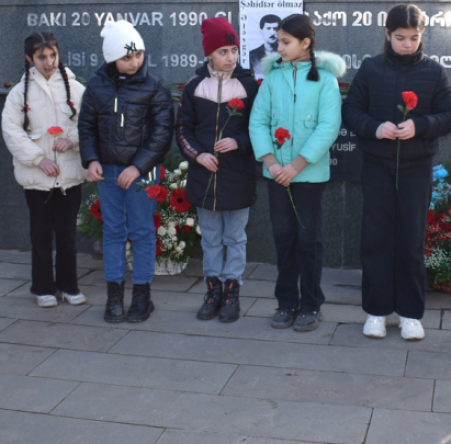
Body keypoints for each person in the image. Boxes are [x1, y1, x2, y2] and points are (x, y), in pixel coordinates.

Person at [342, 4, 451, 340]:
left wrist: (420, 125)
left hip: (416, 167)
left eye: (414, 37)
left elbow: (449, 115)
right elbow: (351, 109)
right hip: (377, 165)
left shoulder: (434, 72)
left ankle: (410, 313)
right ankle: (376, 311)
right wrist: (374, 128)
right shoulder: (370, 69)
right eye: (400, 37)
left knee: (411, 239)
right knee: (376, 237)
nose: (408, 44)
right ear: (387, 35)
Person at [249, 14, 344, 332]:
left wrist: (297, 165)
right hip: (277, 175)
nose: (280, 47)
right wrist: (272, 163)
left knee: (308, 240)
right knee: (283, 238)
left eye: (286, 41)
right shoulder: (273, 77)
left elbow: (328, 126)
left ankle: (311, 304)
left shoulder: (325, 79)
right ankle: (286, 302)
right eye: (278, 40)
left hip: (308, 176)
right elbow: (258, 120)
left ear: (306, 43)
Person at [78, 20, 174, 323]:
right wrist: (91, 159)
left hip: (141, 172)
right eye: (127, 57)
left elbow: (161, 133)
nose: (135, 62)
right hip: (107, 170)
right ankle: (114, 296)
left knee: (143, 231)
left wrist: (138, 166)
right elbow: (87, 125)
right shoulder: (96, 85)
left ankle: (142, 295)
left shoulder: (155, 85)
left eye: (139, 55)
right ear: (111, 58)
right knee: (114, 231)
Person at [176, 17, 259, 322]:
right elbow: (183, 129)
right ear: (209, 54)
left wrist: (238, 142)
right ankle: (213, 289)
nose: (230, 57)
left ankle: (233, 292)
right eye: (223, 51)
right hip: (204, 176)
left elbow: (260, 128)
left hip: (237, 175)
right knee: (211, 237)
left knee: (235, 237)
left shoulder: (249, 85)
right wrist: (198, 155)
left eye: (234, 50)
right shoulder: (195, 86)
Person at [2, 32, 87, 308]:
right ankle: (42, 287)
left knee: (67, 233)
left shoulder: (75, 89)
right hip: (38, 178)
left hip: (70, 174)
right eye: (41, 57)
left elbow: (88, 123)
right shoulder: (19, 93)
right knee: (40, 233)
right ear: (30, 59)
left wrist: (72, 139)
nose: (49, 62)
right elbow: (12, 130)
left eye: (53, 55)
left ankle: (68, 285)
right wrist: (39, 159)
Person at [249, 14, 281, 79]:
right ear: (261, 30)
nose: (272, 33)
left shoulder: (287, 54)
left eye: (275, 29)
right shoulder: (253, 55)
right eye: (268, 28)